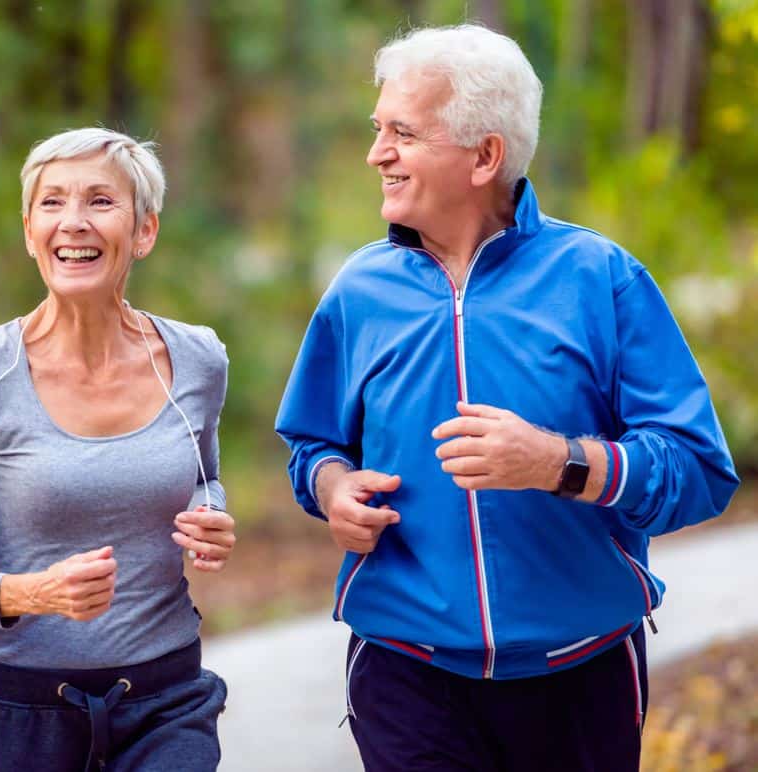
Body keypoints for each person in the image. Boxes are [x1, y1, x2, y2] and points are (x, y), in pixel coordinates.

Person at [275, 24, 738, 772]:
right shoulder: (358, 291)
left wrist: (558, 462)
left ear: (484, 156)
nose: (377, 153)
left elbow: (698, 471)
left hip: (580, 675)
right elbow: (312, 445)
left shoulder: (601, 278)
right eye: (377, 129)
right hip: (405, 669)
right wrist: (332, 489)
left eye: (402, 132)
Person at [0, 127, 235, 771]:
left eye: (101, 201)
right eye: (53, 203)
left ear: (144, 231)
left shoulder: (196, 358)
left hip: (164, 702)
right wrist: (33, 593)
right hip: (17, 714)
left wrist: (210, 514)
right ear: (29, 232)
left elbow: (203, 476)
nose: (74, 222)